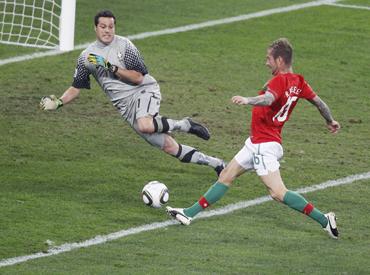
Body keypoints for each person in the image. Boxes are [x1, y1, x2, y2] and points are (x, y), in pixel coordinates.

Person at [167, 38, 341, 239]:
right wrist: (330, 120)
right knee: (226, 175)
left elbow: (268, 99)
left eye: (269, 59)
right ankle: (188, 214)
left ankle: (324, 220)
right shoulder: (299, 82)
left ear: (280, 60)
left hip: (264, 145)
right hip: (256, 142)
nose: (266, 62)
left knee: (278, 193)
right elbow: (319, 103)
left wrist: (248, 100)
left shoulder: (278, 81)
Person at [40, 10, 225, 174]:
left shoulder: (125, 46)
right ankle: (216, 163)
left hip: (143, 90)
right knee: (170, 147)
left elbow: (138, 78)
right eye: (103, 26)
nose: (107, 30)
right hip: (126, 109)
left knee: (145, 124)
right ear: (95, 28)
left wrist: (109, 66)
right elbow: (76, 86)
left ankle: (184, 125)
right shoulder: (85, 57)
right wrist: (58, 102)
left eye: (111, 26)